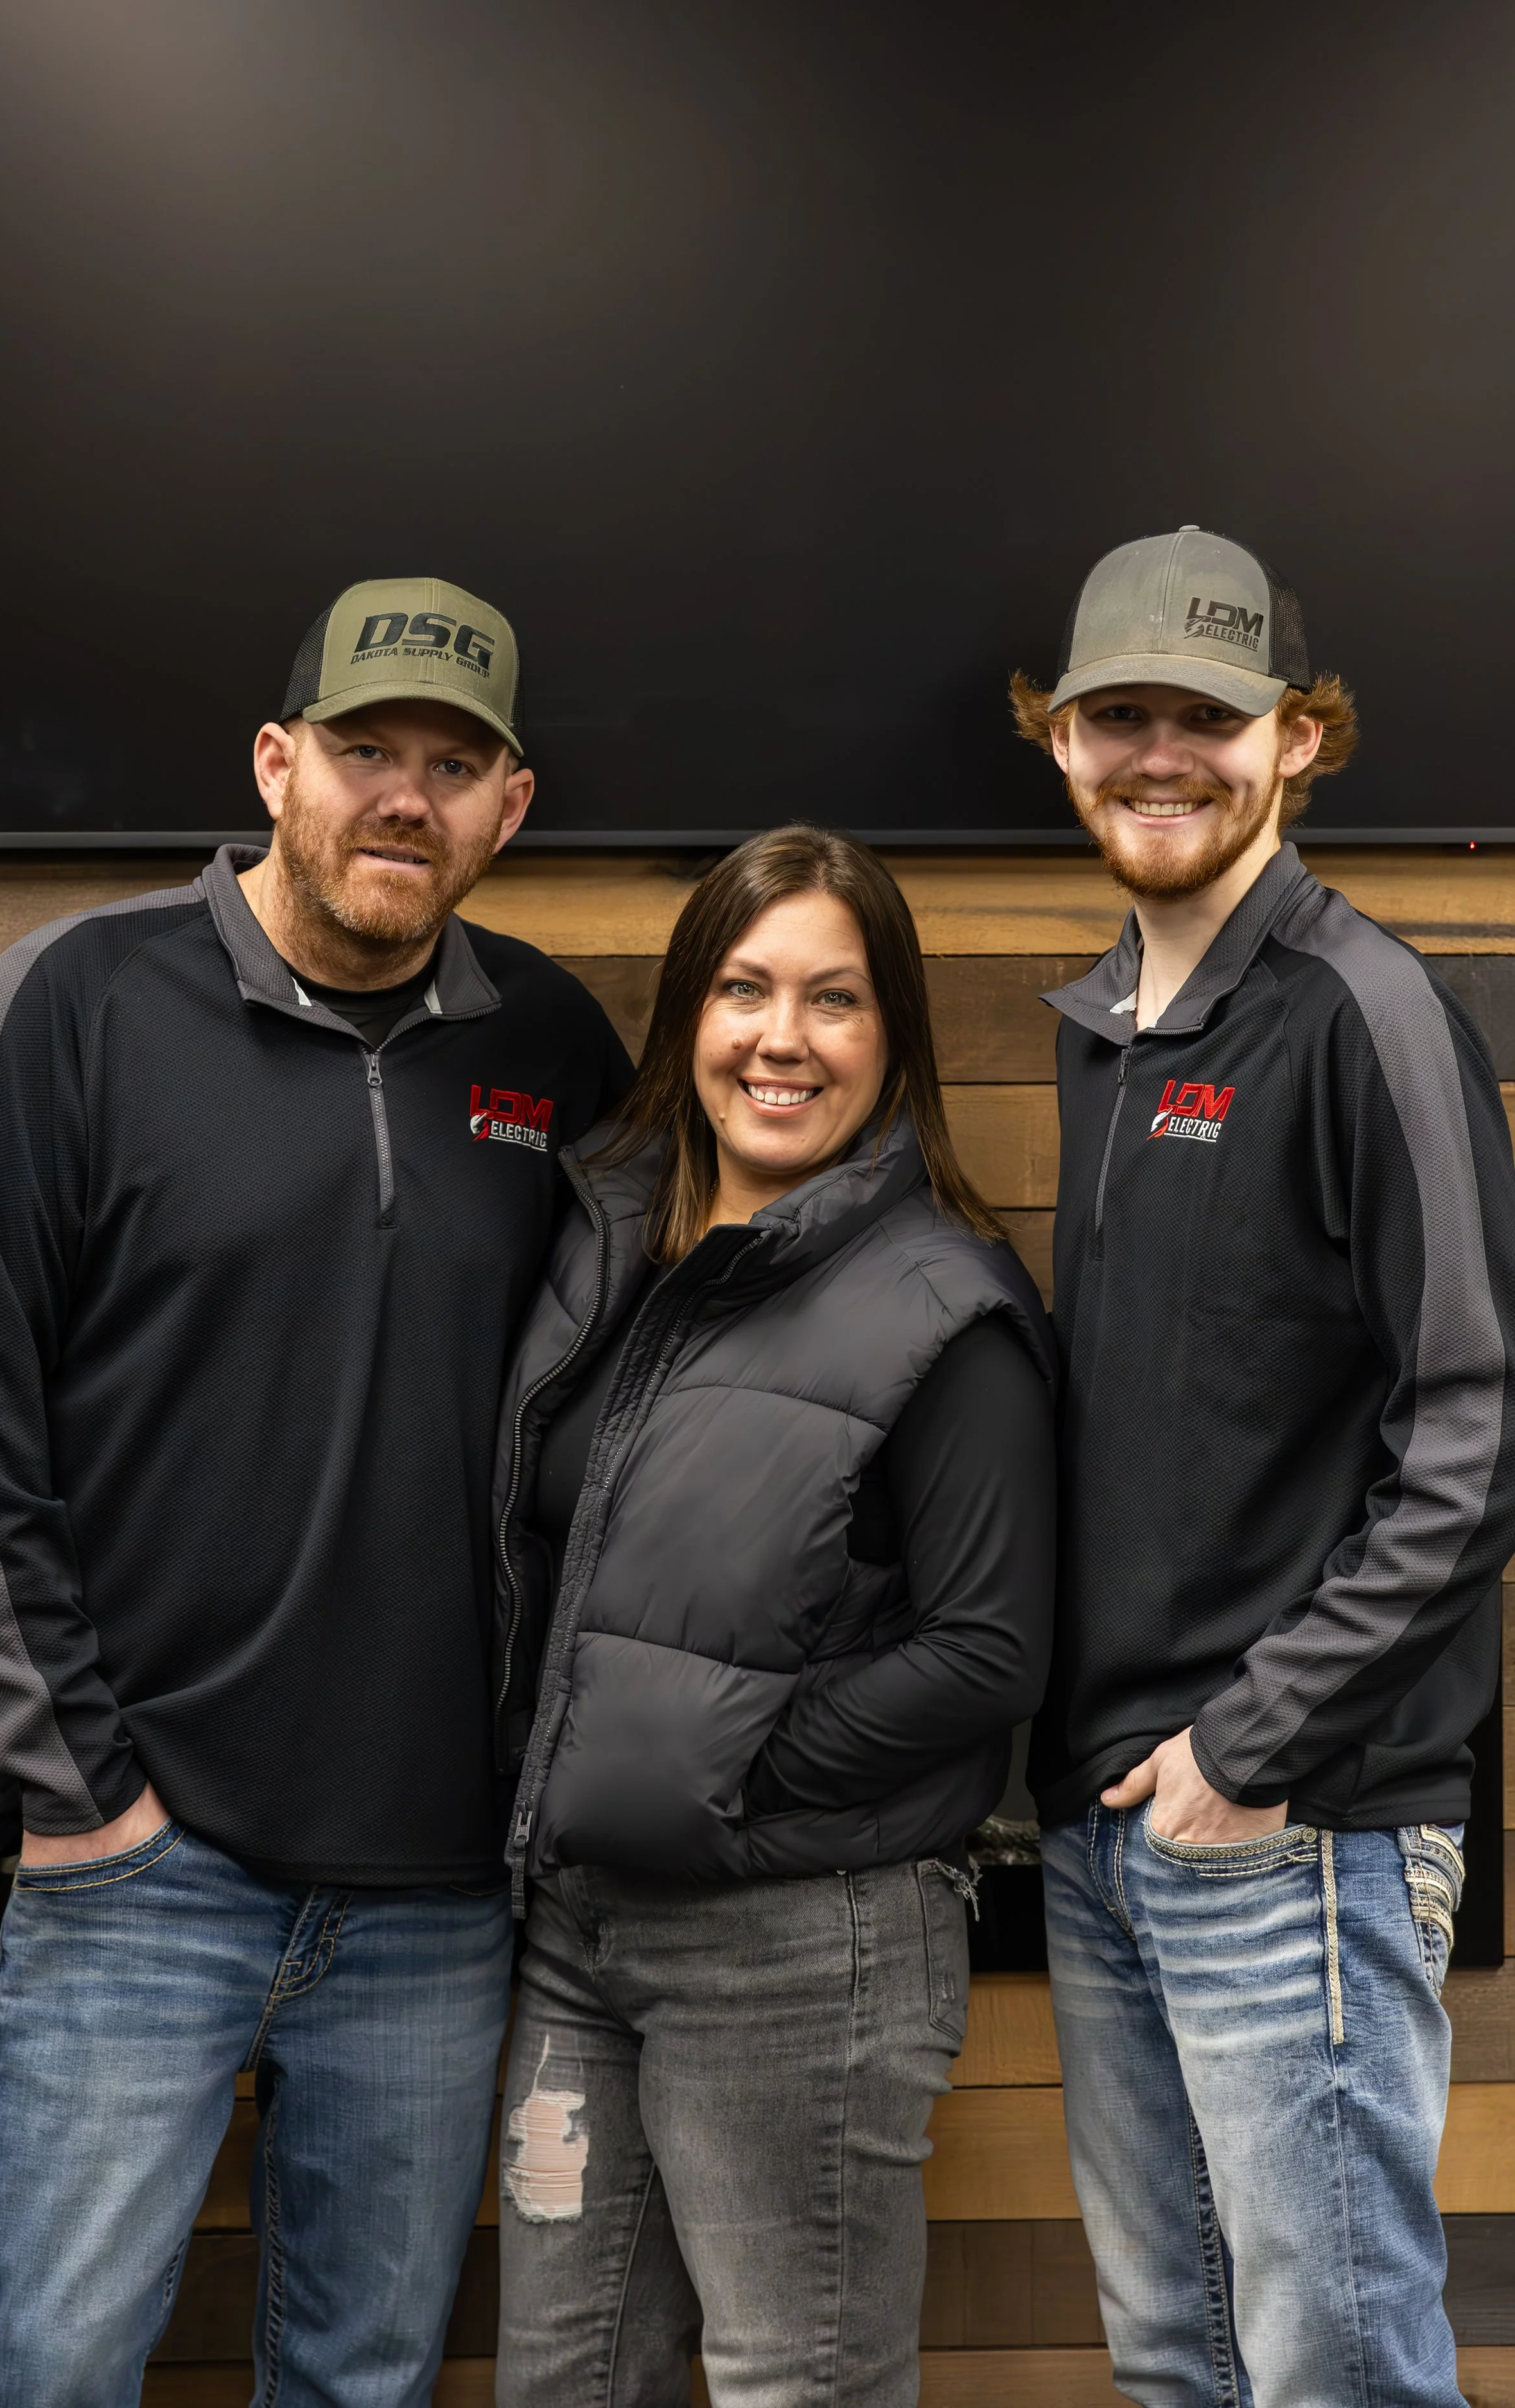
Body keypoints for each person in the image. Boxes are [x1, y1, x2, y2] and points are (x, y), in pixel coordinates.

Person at [0, 574, 633, 2407]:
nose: (405, 795)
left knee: (363, 2374)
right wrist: (77, 1788)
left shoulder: (550, 1053)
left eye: (451, 765)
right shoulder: (73, 1001)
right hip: (144, 1861)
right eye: (364, 749)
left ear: (508, 806)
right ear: (274, 761)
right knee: (47, 2366)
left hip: (440, 1883)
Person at [1012, 526, 1515, 2407]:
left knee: (1337, 2367)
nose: (1160, 755)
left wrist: (1250, 1744)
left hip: (1293, 1824)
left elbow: (1475, 1429)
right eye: (1116, 716)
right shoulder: (1106, 1037)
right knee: (1175, 2354)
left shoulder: (1360, 1010)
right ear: (1056, 744)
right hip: (1109, 1824)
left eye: (1206, 719)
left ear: (1294, 741)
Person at [488, 823, 1056, 2407]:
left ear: (893, 1040)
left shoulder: (948, 1308)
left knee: (793, 2387)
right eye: (743, 989)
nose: (780, 1039)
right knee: (562, 2384)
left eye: (834, 999)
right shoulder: (615, 1256)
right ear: (685, 1017)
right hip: (577, 1932)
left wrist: (725, 1763)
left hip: (803, 1945)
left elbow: (989, 1647)